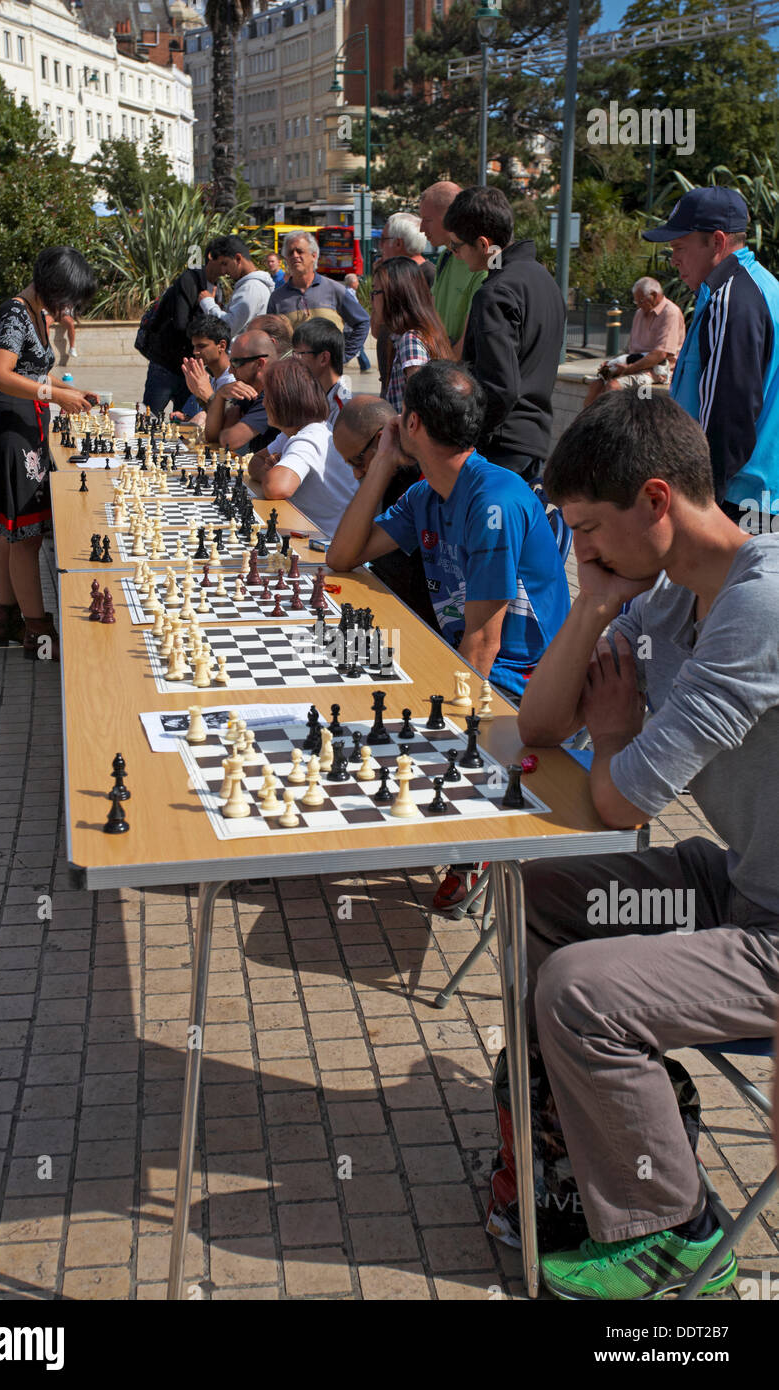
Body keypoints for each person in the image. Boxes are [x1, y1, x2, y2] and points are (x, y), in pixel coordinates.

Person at [516, 388, 779, 1300]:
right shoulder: (667, 600)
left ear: (657, 501)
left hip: (775, 940)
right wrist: (590, 607)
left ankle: (681, 1240)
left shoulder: (759, 609)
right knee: (539, 896)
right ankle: (605, 1119)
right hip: (741, 889)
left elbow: (622, 798)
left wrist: (620, 737)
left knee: (581, 990)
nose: (580, 550)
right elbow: (540, 726)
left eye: (588, 531)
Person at [327, 360, 570, 699]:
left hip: (516, 688)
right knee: (336, 664)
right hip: (462, 661)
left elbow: (485, 642)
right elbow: (341, 557)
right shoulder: (424, 496)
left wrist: (443, 725)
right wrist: (381, 463)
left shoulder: (493, 503)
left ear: (411, 422)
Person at [0, 246, 98, 660]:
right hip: (12, 434)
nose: (68, 304)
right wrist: (55, 393)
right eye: (67, 294)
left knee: (13, 534)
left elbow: (31, 370)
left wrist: (69, 391)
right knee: (26, 538)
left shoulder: (32, 312)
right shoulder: (14, 312)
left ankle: (5, 621)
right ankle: (39, 636)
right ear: (51, 284)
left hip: (24, 428)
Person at [643, 186, 779, 532]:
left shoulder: (729, 299)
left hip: (734, 501)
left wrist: (699, 507)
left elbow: (726, 417)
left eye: (679, 247)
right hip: (761, 499)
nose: (673, 260)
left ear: (717, 243)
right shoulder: (764, 286)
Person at [444, 185, 565, 483]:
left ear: (484, 244)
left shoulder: (495, 293)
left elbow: (500, 387)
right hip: (532, 440)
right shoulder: (543, 280)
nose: (455, 255)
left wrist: (464, 435)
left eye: (456, 246)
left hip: (500, 446)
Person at [333, 394, 436, 627]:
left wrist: (381, 459)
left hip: (419, 623)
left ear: (382, 440)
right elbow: (340, 557)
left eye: (358, 461)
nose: (357, 473)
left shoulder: (420, 484)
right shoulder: (394, 477)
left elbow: (341, 557)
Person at [246, 357, 358, 537]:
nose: (264, 403)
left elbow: (276, 487)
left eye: (267, 396)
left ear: (284, 401)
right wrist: (271, 471)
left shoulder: (309, 438)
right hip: (314, 532)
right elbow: (255, 462)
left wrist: (272, 473)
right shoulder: (293, 433)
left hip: (326, 542)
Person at [268, 231, 370, 366]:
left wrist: (343, 357)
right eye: (290, 252)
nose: (295, 256)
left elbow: (362, 322)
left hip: (329, 378)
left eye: (300, 251)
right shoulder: (277, 298)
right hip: (294, 378)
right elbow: (270, 337)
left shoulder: (335, 290)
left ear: (314, 256)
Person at [583, 276, 685, 408]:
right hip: (632, 363)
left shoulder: (670, 313)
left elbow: (660, 354)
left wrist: (629, 369)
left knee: (613, 387)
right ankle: (586, 426)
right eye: (636, 302)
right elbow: (629, 349)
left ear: (654, 295)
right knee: (595, 384)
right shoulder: (639, 313)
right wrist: (611, 364)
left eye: (641, 301)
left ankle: (609, 427)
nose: (638, 305)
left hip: (657, 370)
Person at [371, 258, 453, 412]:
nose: (372, 299)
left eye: (375, 292)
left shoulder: (410, 341)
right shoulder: (406, 337)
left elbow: (420, 407)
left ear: (394, 295)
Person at [419, 182, 486, 354]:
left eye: (427, 220)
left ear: (450, 217)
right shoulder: (445, 257)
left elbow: (468, 339)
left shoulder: (480, 263)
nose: (421, 228)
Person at [139, 262, 207, 414]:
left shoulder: (193, 289)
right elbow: (181, 324)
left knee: (181, 421)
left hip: (183, 366)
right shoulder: (185, 290)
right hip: (167, 365)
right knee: (151, 418)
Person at [203, 328, 278, 453]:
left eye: (236, 363)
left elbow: (229, 441)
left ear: (260, 364)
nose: (231, 371)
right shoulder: (250, 388)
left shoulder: (274, 392)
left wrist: (230, 425)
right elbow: (213, 437)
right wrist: (220, 395)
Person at [198, 235, 274, 337]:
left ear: (238, 258)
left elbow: (228, 327)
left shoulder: (251, 288)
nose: (223, 271)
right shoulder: (252, 285)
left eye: (225, 263)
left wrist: (208, 303)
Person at [176, 312, 235, 424]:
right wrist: (187, 420)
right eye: (194, 346)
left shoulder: (233, 381)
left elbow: (231, 424)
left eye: (201, 346)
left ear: (222, 346)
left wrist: (205, 394)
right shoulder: (212, 377)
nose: (195, 352)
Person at [291, 317, 352, 425]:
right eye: (294, 353)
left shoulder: (342, 408)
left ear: (324, 358)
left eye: (300, 354)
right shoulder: (312, 392)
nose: (294, 361)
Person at [380, 212, 435, 289]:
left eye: (383, 239)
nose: (380, 245)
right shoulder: (399, 274)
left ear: (398, 243)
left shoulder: (428, 276)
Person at [344, 273, 371, 372]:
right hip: (351, 326)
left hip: (349, 326)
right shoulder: (349, 293)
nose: (358, 283)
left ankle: (365, 366)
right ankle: (365, 367)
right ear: (352, 282)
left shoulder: (349, 292)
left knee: (356, 347)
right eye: (357, 281)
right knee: (358, 346)